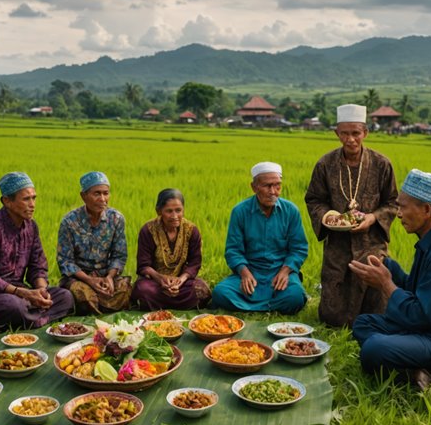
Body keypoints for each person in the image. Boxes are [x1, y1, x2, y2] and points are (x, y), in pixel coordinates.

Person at [350, 170, 431, 391]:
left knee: (373, 348)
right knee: (363, 324)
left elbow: (421, 316)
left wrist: (386, 283)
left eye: (403, 207)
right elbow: (417, 290)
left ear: (426, 210)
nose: (398, 214)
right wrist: (389, 268)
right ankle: (414, 367)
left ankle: (419, 369)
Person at [305, 103, 398, 327]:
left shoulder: (382, 164)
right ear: (337, 133)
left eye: (356, 133)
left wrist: (372, 218)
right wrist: (328, 217)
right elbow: (314, 199)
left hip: (371, 244)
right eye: (344, 133)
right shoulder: (325, 164)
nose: (350, 139)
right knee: (332, 316)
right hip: (337, 244)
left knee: (376, 310)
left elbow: (393, 202)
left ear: (365, 132)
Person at [0, 172, 74, 330]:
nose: (32, 204)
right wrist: (24, 293)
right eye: (26, 199)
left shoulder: (31, 227)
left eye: (34, 198)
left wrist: (41, 290)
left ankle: (32, 319)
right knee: (14, 306)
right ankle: (36, 318)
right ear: (7, 201)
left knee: (66, 297)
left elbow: (37, 265)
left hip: (19, 290)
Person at [212, 162, 309, 313]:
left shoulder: (291, 211)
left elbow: (299, 249)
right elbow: (233, 250)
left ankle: (249, 307)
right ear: (254, 187)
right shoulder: (240, 212)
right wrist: (244, 273)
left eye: (277, 186)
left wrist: (285, 271)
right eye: (267, 186)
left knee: (295, 296)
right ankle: (271, 306)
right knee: (221, 292)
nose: (273, 192)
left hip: (279, 271)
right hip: (251, 271)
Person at [57, 171, 132, 313]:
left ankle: (99, 307)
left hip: (105, 275)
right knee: (82, 294)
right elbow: (65, 261)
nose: (103, 199)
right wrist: (89, 280)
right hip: (79, 277)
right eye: (97, 194)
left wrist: (109, 277)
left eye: (106, 193)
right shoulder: (69, 222)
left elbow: (119, 255)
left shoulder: (116, 219)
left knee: (124, 289)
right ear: (83, 196)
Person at [131, 188, 212, 310]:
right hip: (155, 282)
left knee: (201, 290)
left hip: (181, 282)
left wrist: (181, 280)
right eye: (169, 211)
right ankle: (176, 304)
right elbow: (143, 265)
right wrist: (160, 279)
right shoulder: (148, 231)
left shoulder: (191, 230)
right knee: (143, 290)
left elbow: (195, 263)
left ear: (183, 210)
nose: (174, 216)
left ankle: (160, 305)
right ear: (159, 211)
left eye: (178, 210)